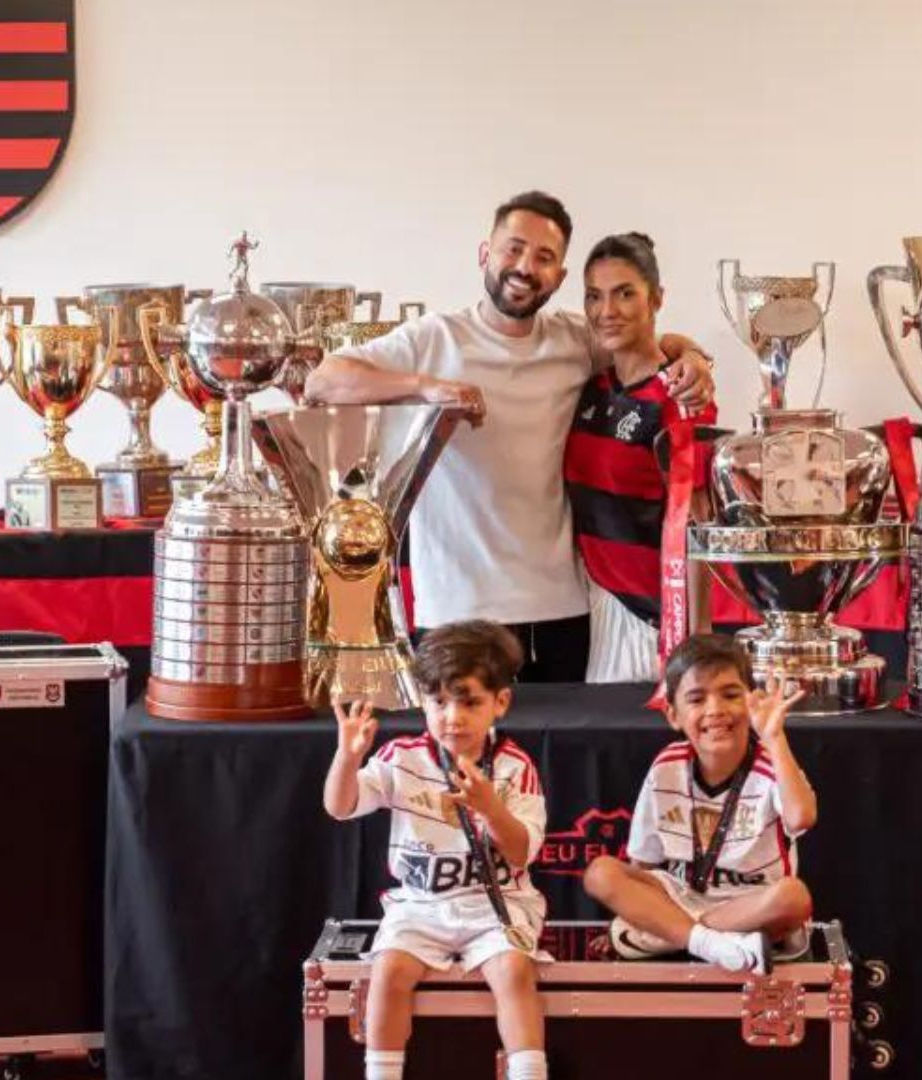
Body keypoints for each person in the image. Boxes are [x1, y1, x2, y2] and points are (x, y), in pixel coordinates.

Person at [305, 192, 715, 682]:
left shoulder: (574, 339)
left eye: (544, 258)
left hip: (562, 609)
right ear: (485, 253)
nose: (525, 267)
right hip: (456, 612)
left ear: (559, 278)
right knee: (455, 756)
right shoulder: (433, 340)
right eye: (513, 249)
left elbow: (641, 343)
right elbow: (321, 382)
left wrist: (692, 356)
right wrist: (424, 388)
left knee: (557, 758)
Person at [322, 621, 550, 1080]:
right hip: (421, 907)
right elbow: (339, 806)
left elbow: (522, 852)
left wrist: (489, 808)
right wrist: (347, 758)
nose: (452, 717)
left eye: (469, 702)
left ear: (499, 703)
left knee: (514, 972)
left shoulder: (514, 767)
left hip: (496, 906)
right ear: (422, 700)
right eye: (439, 702)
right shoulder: (400, 757)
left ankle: (529, 1072)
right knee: (386, 974)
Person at [583, 634, 818, 974]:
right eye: (696, 698)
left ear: (752, 701)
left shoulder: (771, 762)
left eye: (731, 694)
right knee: (601, 873)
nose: (715, 710)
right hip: (680, 896)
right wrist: (633, 908)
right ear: (673, 714)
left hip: (749, 905)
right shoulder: (666, 766)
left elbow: (803, 817)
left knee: (794, 898)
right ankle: (716, 944)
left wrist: (774, 737)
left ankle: (671, 935)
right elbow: (642, 864)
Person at [563, 232, 717, 682]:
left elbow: (696, 518)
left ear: (656, 299)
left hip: (650, 620)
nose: (607, 311)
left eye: (625, 293)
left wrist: (696, 631)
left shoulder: (682, 396)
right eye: (595, 296)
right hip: (589, 606)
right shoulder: (594, 385)